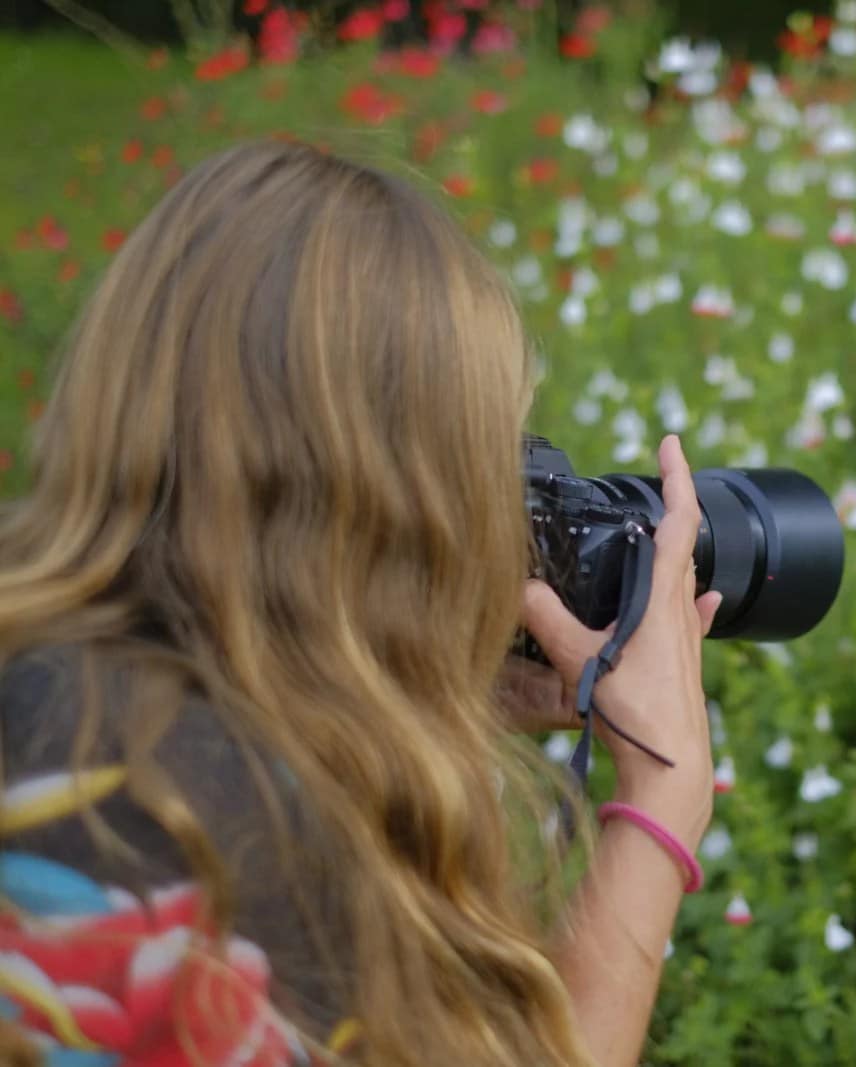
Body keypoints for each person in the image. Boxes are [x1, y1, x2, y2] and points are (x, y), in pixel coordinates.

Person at [0, 139, 721, 1067]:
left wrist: (416, 694)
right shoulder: (219, 827)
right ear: (400, 503)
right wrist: (658, 801)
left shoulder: (56, 690)